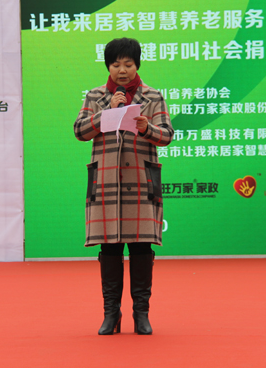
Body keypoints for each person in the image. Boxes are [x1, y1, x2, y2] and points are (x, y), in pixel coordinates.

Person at [73, 38, 174, 335]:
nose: (122, 70)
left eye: (128, 64)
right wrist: (106, 113)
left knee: (141, 247)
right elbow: (79, 131)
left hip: (140, 181)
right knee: (109, 248)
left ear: (137, 65)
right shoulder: (95, 96)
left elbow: (167, 135)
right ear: (108, 66)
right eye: (116, 64)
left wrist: (147, 128)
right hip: (106, 182)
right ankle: (111, 314)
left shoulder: (152, 96)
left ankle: (141, 314)